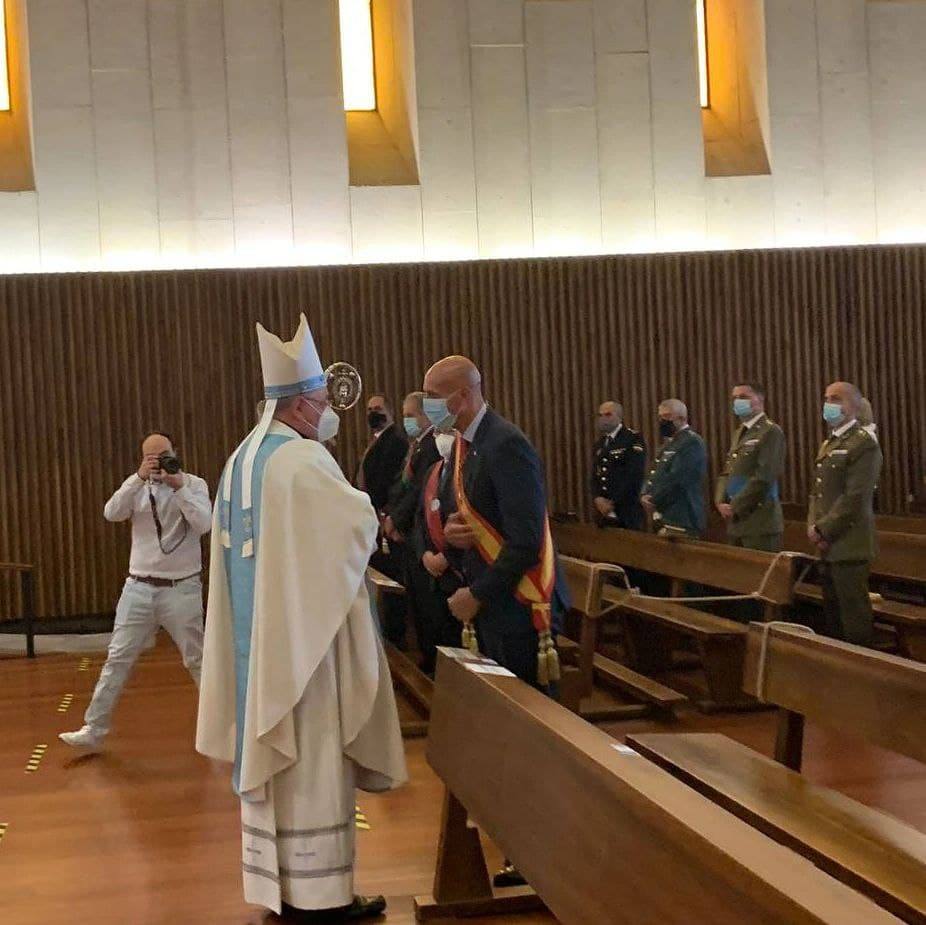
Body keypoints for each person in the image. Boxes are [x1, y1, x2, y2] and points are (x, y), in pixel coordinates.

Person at [196, 315, 406, 921]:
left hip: (262, 648)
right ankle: (322, 894)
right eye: (319, 403)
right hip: (304, 655)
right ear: (302, 404)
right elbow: (355, 525)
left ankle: (281, 889)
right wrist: (369, 506)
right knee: (313, 760)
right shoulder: (302, 462)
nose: (324, 415)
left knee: (277, 769)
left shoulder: (241, 460)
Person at [422, 355, 568, 890]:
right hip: (493, 608)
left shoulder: (507, 444)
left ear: (461, 396)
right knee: (505, 734)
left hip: (520, 610)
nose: (431, 406)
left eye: (435, 395)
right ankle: (519, 846)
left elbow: (527, 540)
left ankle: (542, 854)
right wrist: (458, 541)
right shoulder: (467, 446)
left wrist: (477, 595)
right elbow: (486, 525)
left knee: (529, 737)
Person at [60, 434, 211, 753]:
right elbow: (111, 512)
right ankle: (94, 729)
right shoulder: (137, 488)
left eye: (164, 455)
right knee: (117, 658)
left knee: (197, 659)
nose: (159, 463)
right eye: (152, 458)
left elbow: (204, 524)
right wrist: (138, 478)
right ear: (143, 459)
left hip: (181, 589)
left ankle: (222, 730)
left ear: (176, 453)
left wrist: (178, 486)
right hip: (139, 588)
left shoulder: (194, 485)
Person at [807, 381, 883, 645]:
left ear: (853, 405)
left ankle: (862, 679)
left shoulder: (863, 443)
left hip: (849, 543)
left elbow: (855, 497)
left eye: (836, 398)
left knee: (854, 622)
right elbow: (818, 493)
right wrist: (814, 527)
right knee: (833, 622)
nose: (829, 404)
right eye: (827, 398)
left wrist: (823, 529)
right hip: (827, 545)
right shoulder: (830, 443)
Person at [382, 392, 446, 674]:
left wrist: (396, 520)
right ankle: (425, 656)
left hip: (421, 534)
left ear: (424, 415)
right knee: (417, 602)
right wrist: (390, 516)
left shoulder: (431, 447)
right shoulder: (416, 446)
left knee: (428, 604)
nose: (407, 420)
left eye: (410, 415)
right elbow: (400, 488)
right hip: (410, 535)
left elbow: (421, 490)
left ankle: (433, 661)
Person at [356, 393, 409, 645]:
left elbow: (387, 482)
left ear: (389, 411)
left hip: (387, 518)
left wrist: (383, 511)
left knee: (393, 582)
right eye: (369, 409)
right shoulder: (377, 441)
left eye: (377, 408)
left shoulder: (395, 441)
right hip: (375, 518)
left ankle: (396, 638)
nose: (373, 413)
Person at [714, 382, 786, 552]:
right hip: (736, 521)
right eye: (735, 398)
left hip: (759, 520)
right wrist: (719, 500)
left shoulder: (770, 431)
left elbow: (764, 476)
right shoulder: (740, 432)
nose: (738, 401)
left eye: (744, 397)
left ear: (760, 399)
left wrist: (735, 505)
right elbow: (728, 471)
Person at [641, 399, 707, 537]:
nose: (662, 421)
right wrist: (645, 493)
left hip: (682, 514)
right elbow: (655, 474)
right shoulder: (669, 444)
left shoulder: (691, 442)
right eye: (660, 417)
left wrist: (654, 499)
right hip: (664, 513)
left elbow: (678, 478)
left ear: (682, 418)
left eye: (666, 417)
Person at [590, 401, 646, 529]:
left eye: (608, 414)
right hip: (603, 511)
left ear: (619, 417)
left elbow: (634, 474)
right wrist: (597, 497)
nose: (603, 419)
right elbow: (595, 475)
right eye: (600, 415)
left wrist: (612, 502)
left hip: (625, 509)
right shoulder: (600, 444)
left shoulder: (632, 439)